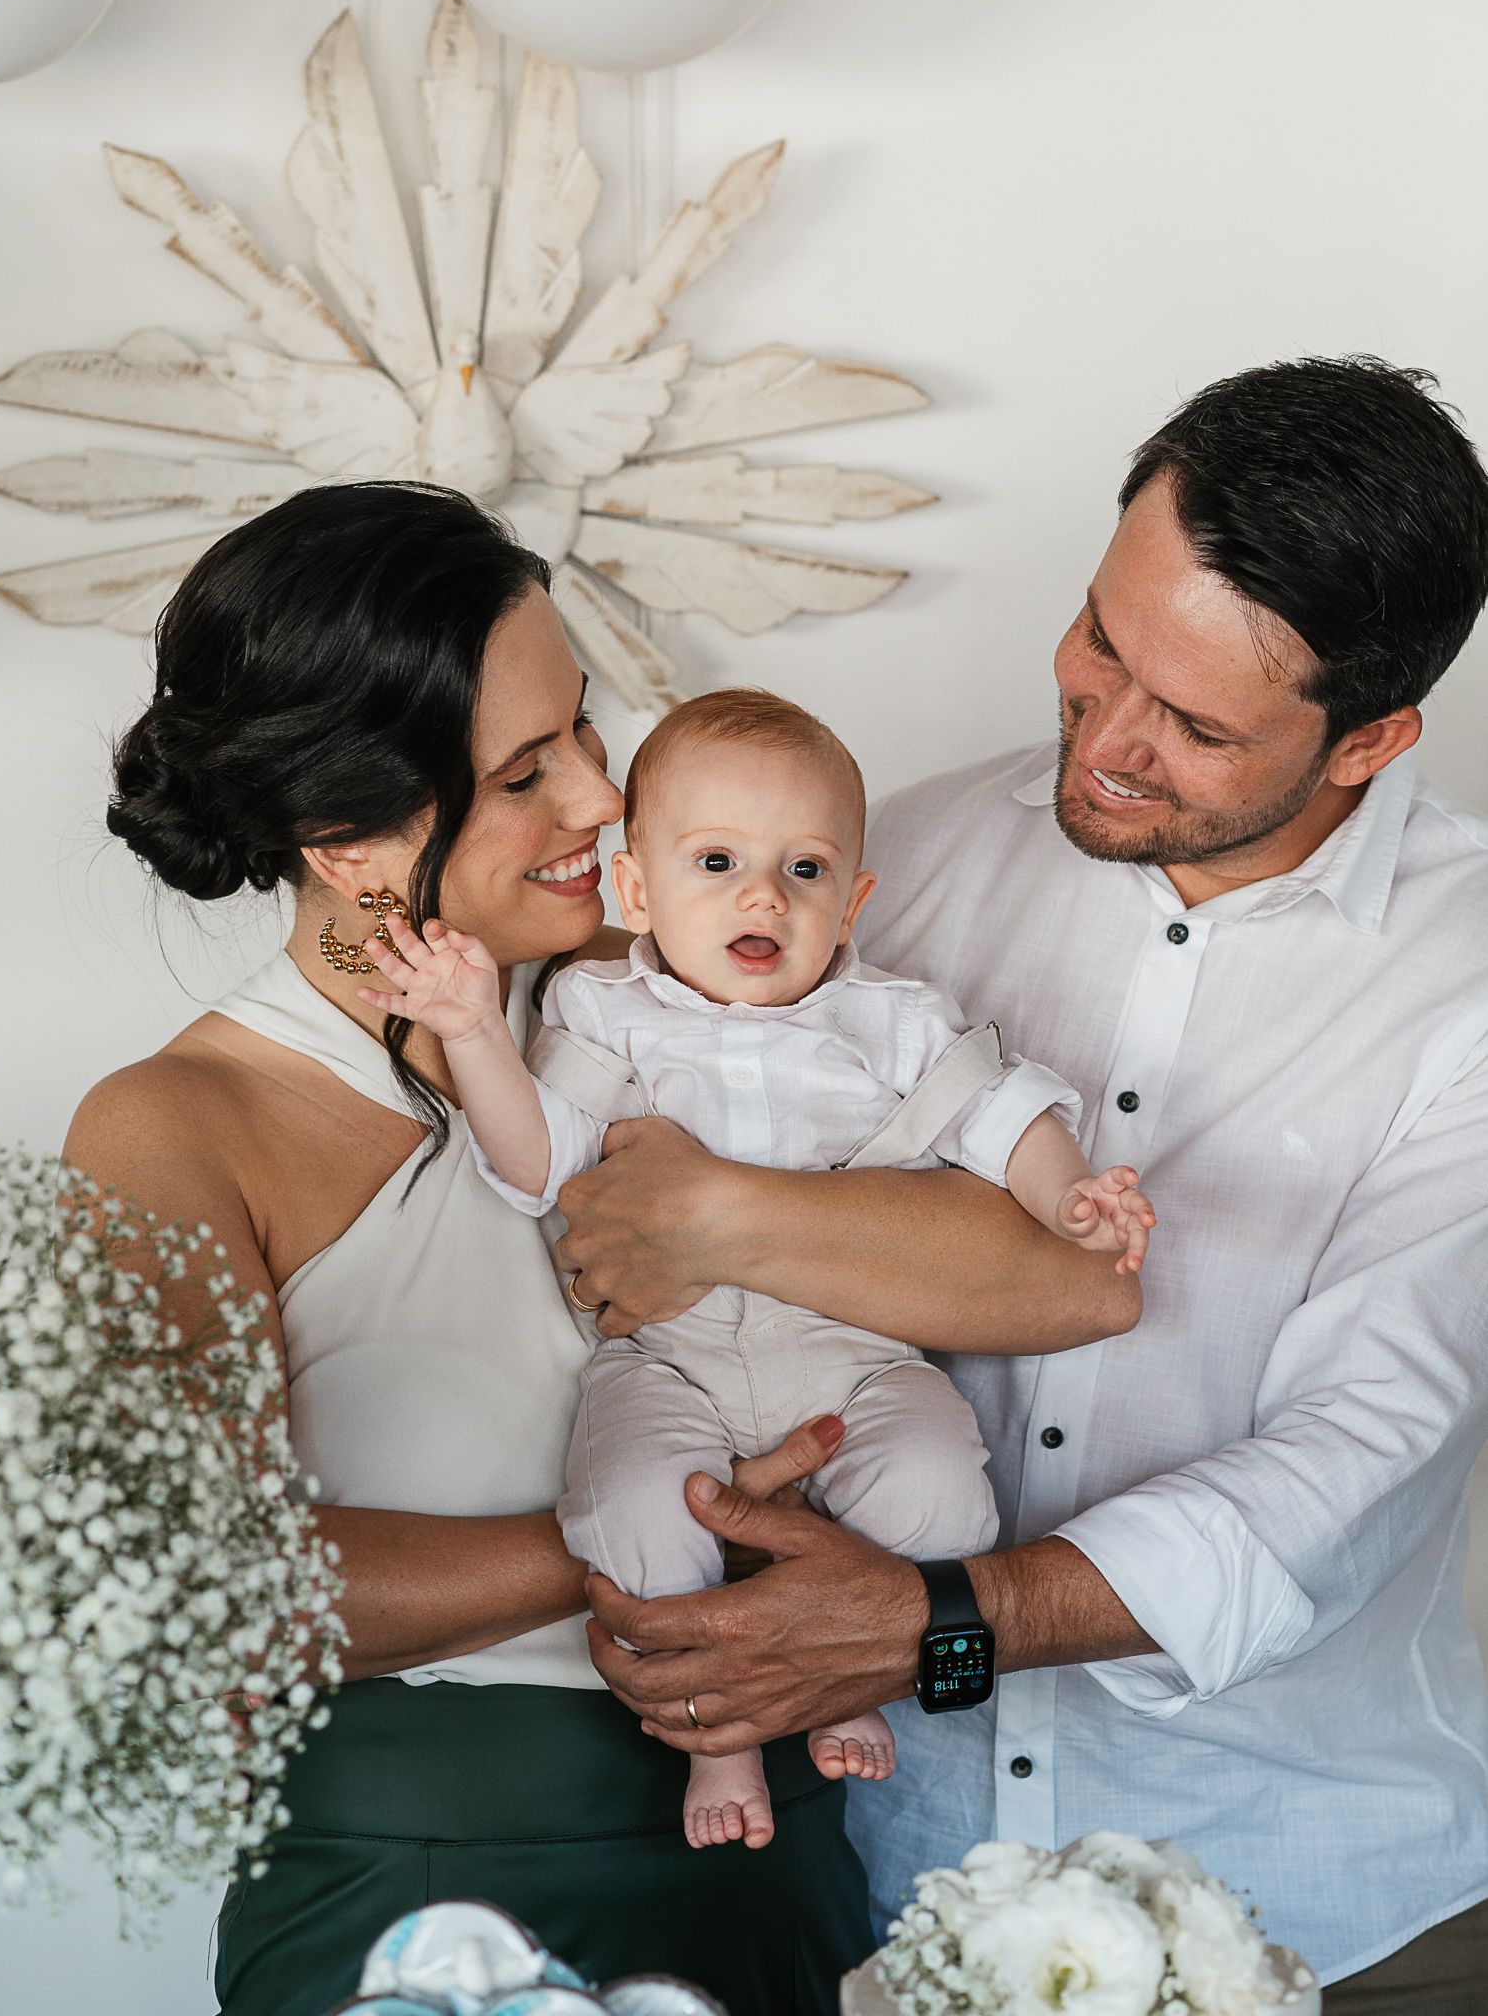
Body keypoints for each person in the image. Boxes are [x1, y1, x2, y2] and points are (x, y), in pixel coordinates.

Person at [555, 357, 1488, 2011]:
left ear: (1372, 737)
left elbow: (1353, 1462)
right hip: (884, 1888)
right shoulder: (880, 873)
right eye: (1100, 642)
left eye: (1196, 725)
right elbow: (635, 1237)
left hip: (1320, 1902)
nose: (1109, 738)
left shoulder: (1468, 981)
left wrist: (938, 1619)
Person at [69, 481, 920, 2016]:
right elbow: (213, 1592)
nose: (602, 799)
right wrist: (671, 1520)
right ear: (346, 840)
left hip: (787, 1849)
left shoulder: (686, 990)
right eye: (527, 771)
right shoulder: (177, 1127)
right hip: (423, 1893)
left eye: (585, 729)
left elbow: (1054, 1277)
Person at [356, 686, 1152, 1856]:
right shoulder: (603, 1010)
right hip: (668, 1358)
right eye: (717, 862)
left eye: (805, 869)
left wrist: (1072, 1195)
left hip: (857, 1354)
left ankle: (854, 1682)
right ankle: (717, 1738)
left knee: (938, 1485)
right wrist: (475, 1031)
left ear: (853, 904)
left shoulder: (893, 1019)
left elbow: (1001, 1115)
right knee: (635, 1504)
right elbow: (534, 1166)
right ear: (636, 893)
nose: (763, 897)